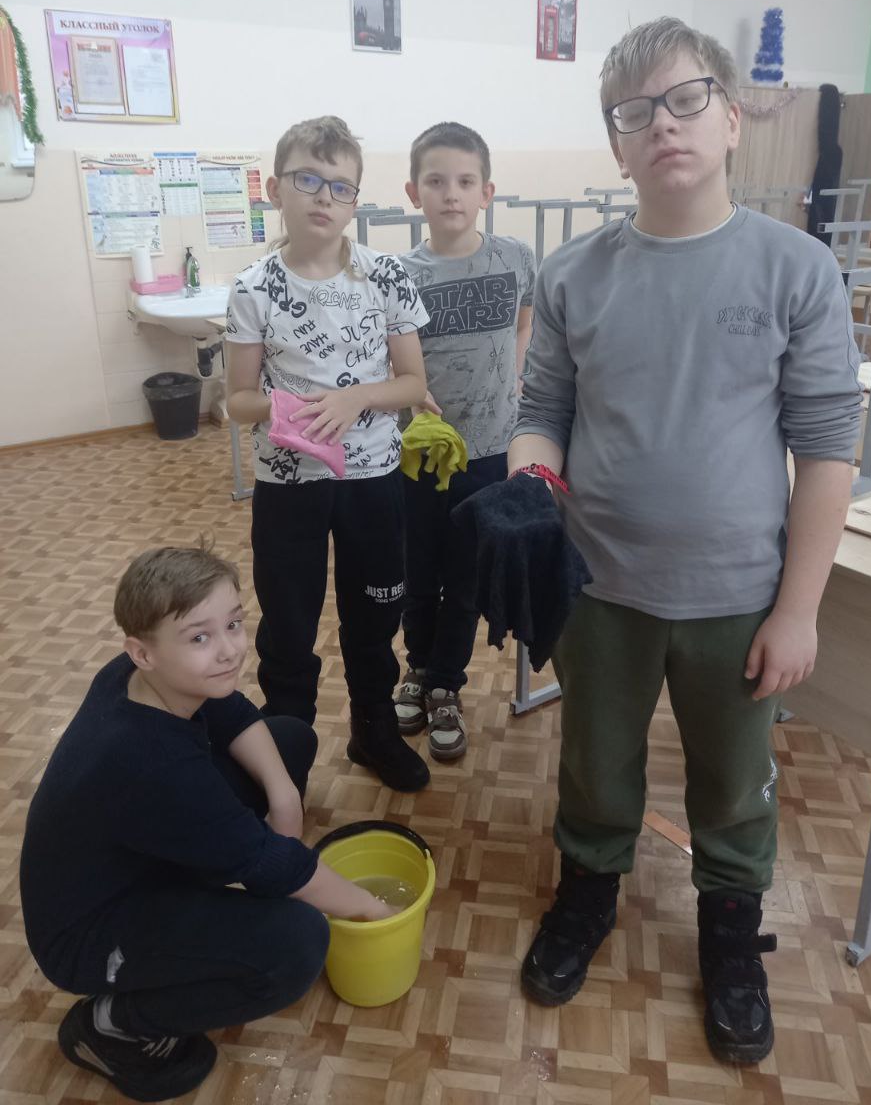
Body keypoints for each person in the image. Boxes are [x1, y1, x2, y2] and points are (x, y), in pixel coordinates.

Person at [508, 17, 862, 1063]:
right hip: (600, 588)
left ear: (731, 116)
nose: (662, 124)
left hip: (738, 596)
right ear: (615, 144)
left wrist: (798, 609)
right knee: (595, 764)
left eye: (685, 98)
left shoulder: (797, 268)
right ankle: (587, 891)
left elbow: (827, 447)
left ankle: (731, 933)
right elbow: (543, 413)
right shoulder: (572, 275)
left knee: (734, 782)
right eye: (634, 112)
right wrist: (528, 485)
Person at [19, 545, 394, 1103]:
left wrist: (284, 800)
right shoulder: (150, 764)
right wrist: (370, 908)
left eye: (234, 624)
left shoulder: (140, 677)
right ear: (142, 652)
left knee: (287, 741)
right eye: (200, 637)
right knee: (296, 944)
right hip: (88, 935)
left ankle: (213, 886)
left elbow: (232, 710)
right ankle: (112, 1026)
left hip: (136, 863)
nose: (229, 650)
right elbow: (274, 864)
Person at [226, 116, 432, 792]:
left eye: (341, 186)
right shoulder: (254, 287)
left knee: (374, 615)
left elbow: (413, 384)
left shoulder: (386, 275)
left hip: (373, 479)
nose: (324, 197)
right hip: (289, 485)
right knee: (287, 626)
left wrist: (357, 398)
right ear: (275, 189)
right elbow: (238, 400)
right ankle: (286, 754)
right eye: (308, 180)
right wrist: (293, 410)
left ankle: (374, 730)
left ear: (355, 200)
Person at [395, 122, 535, 760]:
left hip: (492, 449)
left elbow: (525, 319)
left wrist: (516, 368)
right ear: (413, 193)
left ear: (486, 192)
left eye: (465, 181)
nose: (451, 193)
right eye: (436, 181)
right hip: (423, 453)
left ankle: (446, 683)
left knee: (467, 578)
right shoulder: (398, 275)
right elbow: (389, 355)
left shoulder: (515, 259)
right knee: (418, 573)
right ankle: (418, 668)